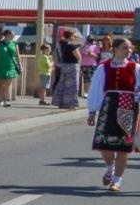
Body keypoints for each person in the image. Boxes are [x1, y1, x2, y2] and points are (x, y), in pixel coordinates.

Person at [87, 35, 139, 192]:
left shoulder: (135, 68)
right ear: (114, 49)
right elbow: (96, 90)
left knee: (123, 148)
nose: (128, 51)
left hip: (129, 109)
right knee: (105, 146)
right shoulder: (104, 67)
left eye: (130, 48)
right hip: (108, 108)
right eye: (125, 48)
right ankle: (109, 167)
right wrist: (92, 111)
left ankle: (117, 180)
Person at [0, 27, 20, 105]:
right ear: (7, 35)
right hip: (0, 66)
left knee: (7, 84)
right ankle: (3, 100)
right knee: (1, 84)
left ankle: (5, 100)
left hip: (11, 66)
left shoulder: (15, 43)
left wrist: (20, 65)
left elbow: (18, 55)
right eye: (12, 35)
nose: (13, 36)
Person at [53, 27, 83, 109]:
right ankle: (70, 104)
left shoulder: (61, 44)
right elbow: (78, 56)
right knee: (72, 86)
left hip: (63, 66)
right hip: (72, 66)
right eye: (74, 36)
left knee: (62, 84)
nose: (75, 37)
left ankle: (60, 102)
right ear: (71, 36)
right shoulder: (72, 46)